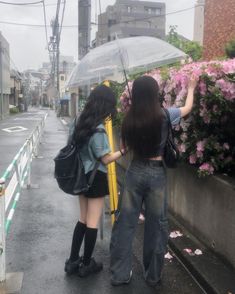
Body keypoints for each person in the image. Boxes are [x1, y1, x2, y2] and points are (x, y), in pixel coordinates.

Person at [110, 75, 197, 287]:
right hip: (156, 174)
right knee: (156, 225)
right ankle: (153, 275)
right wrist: (192, 87)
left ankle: (120, 275)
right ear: (154, 93)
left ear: (136, 94)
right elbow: (187, 108)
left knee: (125, 223)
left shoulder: (129, 119)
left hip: (134, 171)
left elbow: (126, 146)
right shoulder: (165, 115)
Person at [64, 84, 125, 278]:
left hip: (79, 175)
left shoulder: (77, 122)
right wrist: (124, 151)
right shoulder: (98, 130)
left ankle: (73, 261)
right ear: (105, 105)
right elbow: (105, 158)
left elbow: (70, 146)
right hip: (95, 178)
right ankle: (87, 263)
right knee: (92, 221)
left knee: (82, 218)